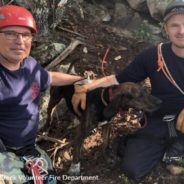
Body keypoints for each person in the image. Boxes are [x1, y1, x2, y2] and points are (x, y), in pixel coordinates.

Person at [72, 0, 184, 181]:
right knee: (133, 168)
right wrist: (83, 87)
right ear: (166, 28)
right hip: (158, 117)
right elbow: (117, 79)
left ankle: (177, 146)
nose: (181, 31)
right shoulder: (152, 55)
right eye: (175, 25)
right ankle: (162, 143)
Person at [0, 5, 83, 184]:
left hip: (28, 147)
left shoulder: (29, 64)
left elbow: (50, 77)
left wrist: (82, 80)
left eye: (26, 35)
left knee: (50, 180)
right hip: (4, 151)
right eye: (11, 33)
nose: (20, 41)